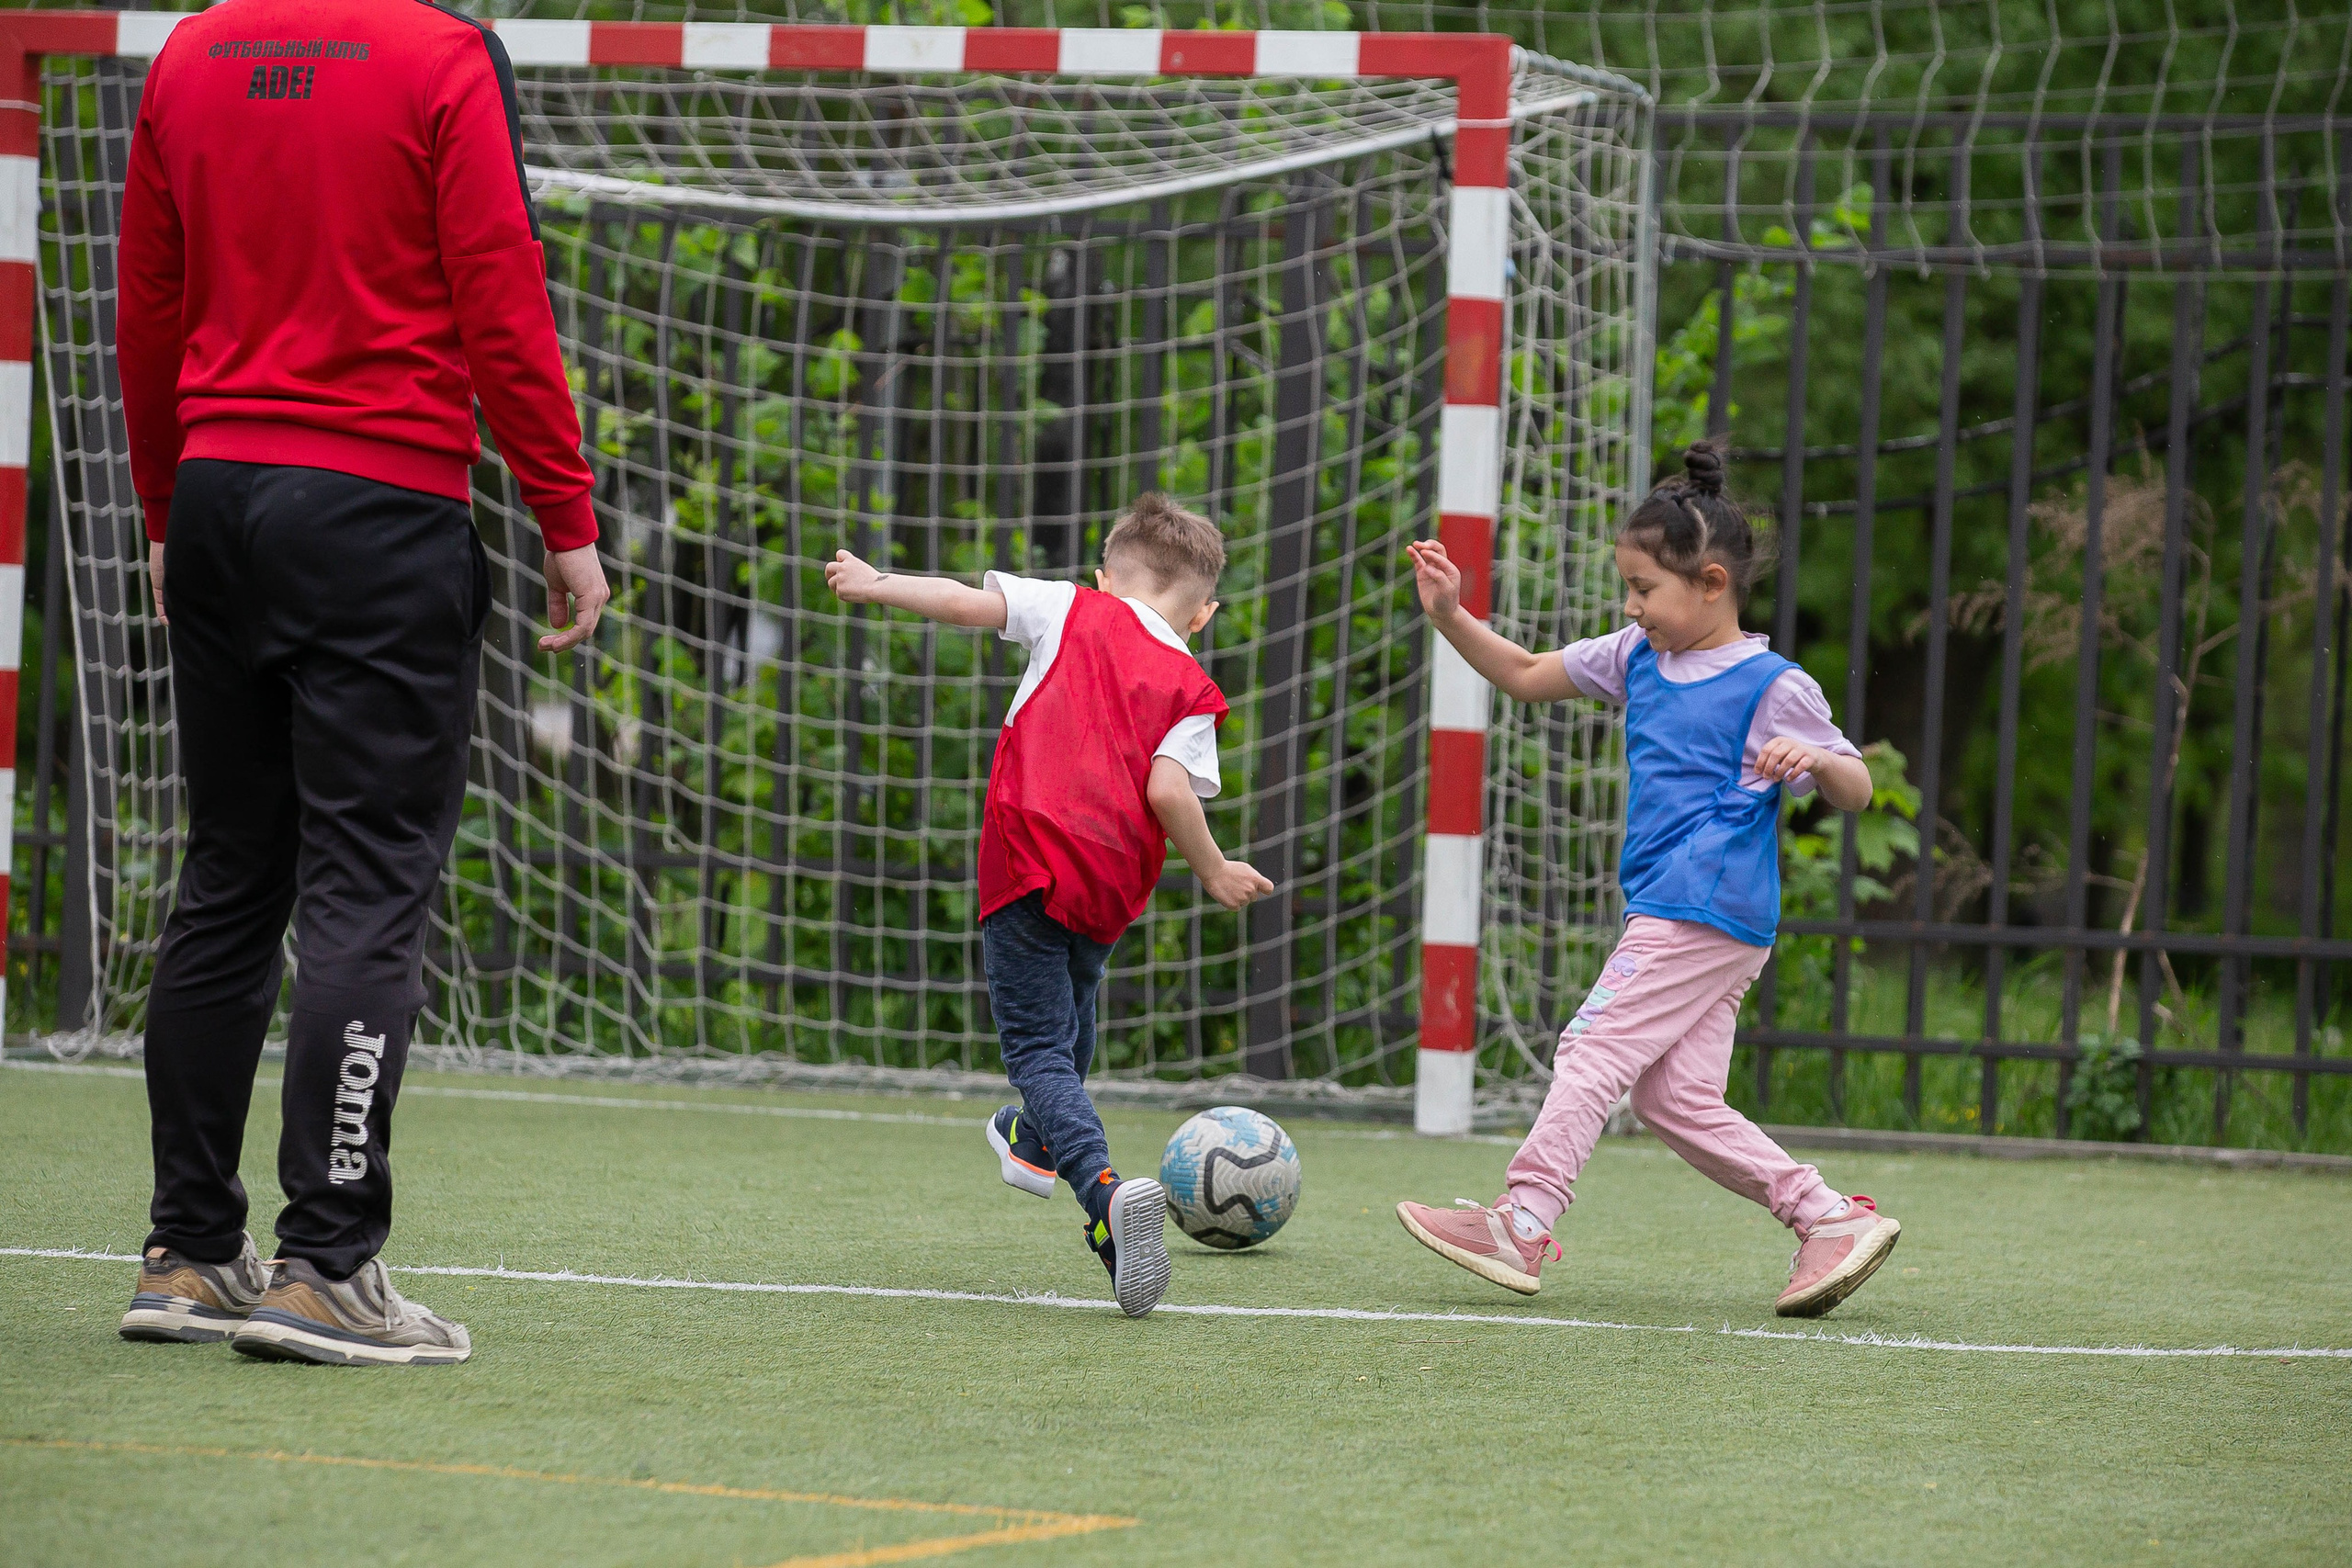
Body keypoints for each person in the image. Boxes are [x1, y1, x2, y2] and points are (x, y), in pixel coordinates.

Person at [112, 0, 610, 1365]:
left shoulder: (193, 50)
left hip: (219, 499)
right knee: (367, 882)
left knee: (229, 870)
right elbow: (500, 285)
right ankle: (329, 1263)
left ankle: (191, 1247)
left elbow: (146, 295)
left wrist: (168, 503)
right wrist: (565, 515)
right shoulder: (443, 54)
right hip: (379, 511)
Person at [1395, 440, 1903, 1318]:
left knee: (1591, 1048)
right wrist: (1450, 615)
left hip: (1698, 907)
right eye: (1627, 586)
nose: (1632, 605)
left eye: (1646, 589)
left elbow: (1856, 787)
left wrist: (1816, 755)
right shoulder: (1636, 656)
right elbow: (1521, 674)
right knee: (1673, 1098)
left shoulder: (1773, 683)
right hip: (1700, 917)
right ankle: (1825, 1217)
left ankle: (1524, 1217)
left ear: (1712, 583)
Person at [825, 496, 1272, 1317]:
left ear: (1108, 575)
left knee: (1037, 1048)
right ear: (1203, 611)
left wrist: (876, 581)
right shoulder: (1193, 686)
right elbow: (1169, 790)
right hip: (1109, 879)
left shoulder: (1071, 603)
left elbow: (965, 601)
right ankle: (1035, 1141)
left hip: (1029, 851)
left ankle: (1104, 1197)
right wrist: (1211, 868)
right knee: (1072, 1034)